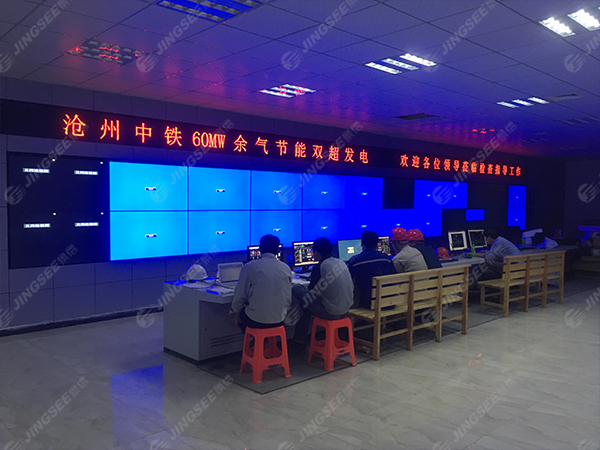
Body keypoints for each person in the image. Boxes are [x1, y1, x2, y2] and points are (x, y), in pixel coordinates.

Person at [292, 237, 354, 344]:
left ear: (316, 252)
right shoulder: (340, 262)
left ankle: (299, 341)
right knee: (305, 306)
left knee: (297, 290)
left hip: (330, 312)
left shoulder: (319, 266)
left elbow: (311, 292)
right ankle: (300, 341)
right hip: (346, 310)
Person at [231, 234, 292, 333]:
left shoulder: (250, 267)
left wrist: (236, 314)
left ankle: (254, 339)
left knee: (240, 311)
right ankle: (264, 340)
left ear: (260, 248)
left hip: (255, 320)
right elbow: (288, 298)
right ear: (277, 250)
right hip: (280, 319)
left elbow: (240, 295)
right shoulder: (286, 268)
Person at [347, 230, 396, 309]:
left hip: (368, 304)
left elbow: (347, 279)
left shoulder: (355, 261)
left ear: (362, 244)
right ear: (377, 244)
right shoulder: (386, 259)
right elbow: (394, 276)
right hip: (389, 302)